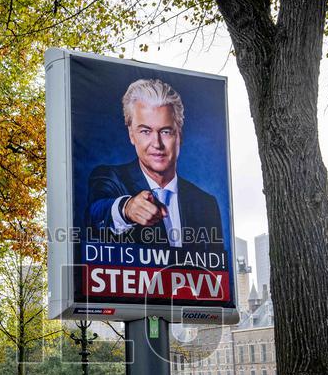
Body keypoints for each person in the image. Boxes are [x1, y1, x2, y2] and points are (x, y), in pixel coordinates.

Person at [85, 79, 224, 249]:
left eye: (165, 131)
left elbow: (216, 263)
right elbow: (95, 214)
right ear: (131, 135)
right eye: (145, 131)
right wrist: (126, 209)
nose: (157, 143)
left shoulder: (206, 203)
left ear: (179, 135)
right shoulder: (110, 179)